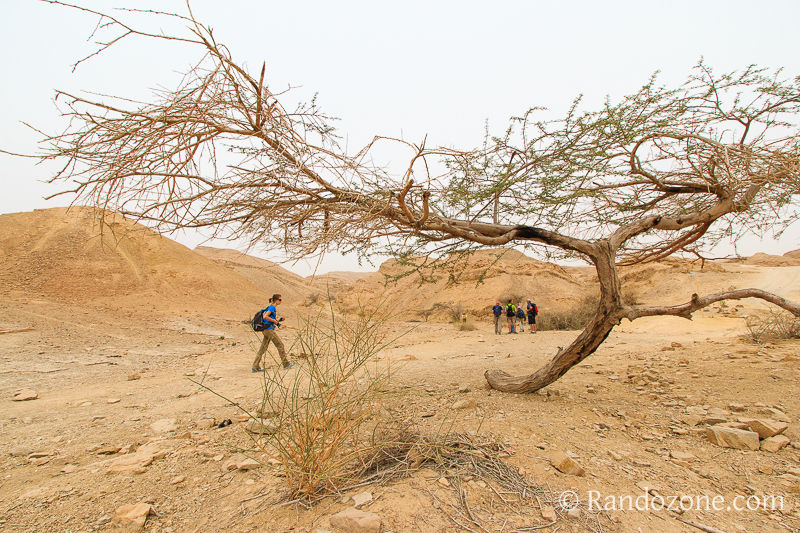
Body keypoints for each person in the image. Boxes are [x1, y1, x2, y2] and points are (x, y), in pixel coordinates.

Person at [252, 293, 295, 371]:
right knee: (280, 345)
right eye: (280, 300)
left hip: (266, 330)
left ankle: (255, 366)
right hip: (269, 330)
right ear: (275, 300)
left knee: (263, 348)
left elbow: (269, 320)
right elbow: (265, 317)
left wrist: (278, 320)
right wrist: (275, 321)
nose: (280, 301)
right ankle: (286, 364)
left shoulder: (271, 307)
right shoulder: (272, 307)